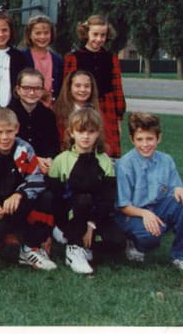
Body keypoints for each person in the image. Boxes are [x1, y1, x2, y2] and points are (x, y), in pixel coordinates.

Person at [0, 107, 57, 270]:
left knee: (47, 197)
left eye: (9, 131)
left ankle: (30, 248)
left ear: (17, 129)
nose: (5, 137)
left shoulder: (25, 149)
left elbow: (37, 178)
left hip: (17, 203)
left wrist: (19, 194)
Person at [115, 112, 183, 278]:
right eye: (140, 139)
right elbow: (123, 205)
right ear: (132, 139)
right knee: (151, 236)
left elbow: (175, 189)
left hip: (157, 209)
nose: (145, 144)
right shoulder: (125, 164)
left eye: (150, 139)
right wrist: (145, 214)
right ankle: (134, 243)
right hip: (132, 214)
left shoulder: (166, 160)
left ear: (159, 138)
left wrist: (180, 189)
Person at [48, 107, 125, 274]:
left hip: (96, 216)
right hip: (70, 216)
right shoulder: (61, 160)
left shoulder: (104, 161)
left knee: (118, 242)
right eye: (81, 131)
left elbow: (107, 198)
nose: (86, 136)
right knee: (83, 199)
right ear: (71, 133)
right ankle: (74, 247)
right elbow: (55, 197)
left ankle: (87, 247)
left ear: (98, 134)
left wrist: (91, 224)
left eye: (91, 132)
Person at [63, 15, 126, 157]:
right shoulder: (73, 57)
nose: (99, 39)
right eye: (95, 34)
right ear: (86, 33)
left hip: (106, 107)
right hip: (80, 107)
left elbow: (117, 88)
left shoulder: (111, 58)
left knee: (107, 149)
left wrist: (119, 119)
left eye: (103, 35)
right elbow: (67, 88)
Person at [8, 68, 59, 174]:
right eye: (26, 88)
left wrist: (49, 159)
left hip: (43, 169)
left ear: (43, 90)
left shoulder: (48, 115)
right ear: (18, 89)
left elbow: (53, 145)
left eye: (37, 88)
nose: (32, 92)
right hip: (13, 168)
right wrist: (34, 160)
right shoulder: (7, 114)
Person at [19, 14, 63, 105]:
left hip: (52, 107)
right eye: (38, 33)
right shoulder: (22, 57)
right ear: (29, 35)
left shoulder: (57, 59)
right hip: (28, 106)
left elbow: (60, 86)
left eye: (46, 33)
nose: (42, 37)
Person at [53, 69, 100, 148]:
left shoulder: (97, 112)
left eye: (87, 86)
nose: (82, 90)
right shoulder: (57, 113)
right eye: (78, 86)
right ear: (69, 88)